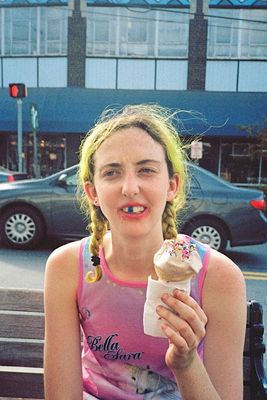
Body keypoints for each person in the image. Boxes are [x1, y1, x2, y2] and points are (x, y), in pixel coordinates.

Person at [44, 104, 246, 400]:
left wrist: (186, 363)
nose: (129, 187)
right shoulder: (67, 267)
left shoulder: (218, 276)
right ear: (93, 192)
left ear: (172, 185)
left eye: (146, 170)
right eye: (112, 173)